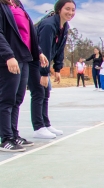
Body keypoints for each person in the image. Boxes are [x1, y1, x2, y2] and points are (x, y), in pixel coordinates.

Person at [0, 0, 48, 152]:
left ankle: (13, 134)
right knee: (6, 99)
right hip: (10, 58)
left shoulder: (17, 4)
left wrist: (38, 51)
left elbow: (28, 32)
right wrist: (8, 55)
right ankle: (6, 138)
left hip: (23, 57)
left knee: (17, 99)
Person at [28, 0, 75, 139]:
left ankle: (46, 124)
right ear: (59, 9)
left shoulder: (64, 25)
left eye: (73, 10)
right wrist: (44, 73)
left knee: (46, 93)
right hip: (33, 61)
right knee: (38, 93)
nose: (70, 13)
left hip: (43, 63)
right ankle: (38, 127)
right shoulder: (49, 25)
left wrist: (58, 68)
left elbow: (59, 49)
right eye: (67, 9)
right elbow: (45, 49)